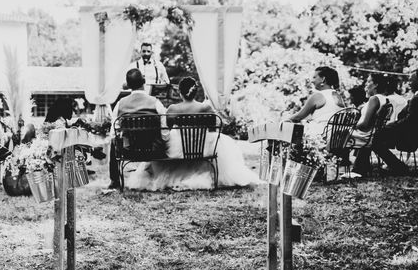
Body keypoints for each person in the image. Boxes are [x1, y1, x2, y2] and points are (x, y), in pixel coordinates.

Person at [127, 77, 259, 190]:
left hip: (180, 150)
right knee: (223, 142)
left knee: (167, 142)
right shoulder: (205, 108)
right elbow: (216, 126)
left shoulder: (173, 109)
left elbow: (165, 129)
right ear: (195, 92)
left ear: (180, 93)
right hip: (201, 148)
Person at [108, 68, 167, 189]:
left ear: (128, 85)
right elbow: (164, 131)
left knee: (113, 142)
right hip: (154, 150)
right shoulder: (155, 102)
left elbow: (113, 133)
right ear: (144, 82)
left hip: (130, 151)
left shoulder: (120, 104)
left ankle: (115, 181)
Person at [353, 70, 418, 176]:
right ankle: (361, 167)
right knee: (373, 138)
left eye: (412, 80)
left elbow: (410, 120)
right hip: (404, 130)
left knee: (372, 138)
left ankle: (360, 168)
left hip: (409, 134)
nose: (409, 83)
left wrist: (391, 127)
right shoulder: (410, 98)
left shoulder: (416, 98)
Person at [286, 66, 345, 137]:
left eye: (314, 77)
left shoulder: (318, 96)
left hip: (320, 137)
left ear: (323, 79)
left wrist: (285, 120)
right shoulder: (338, 96)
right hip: (337, 138)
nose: (312, 81)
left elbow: (298, 117)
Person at [349, 74, 389, 149]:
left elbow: (365, 124)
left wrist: (352, 126)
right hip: (371, 135)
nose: (366, 84)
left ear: (375, 85)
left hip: (364, 136)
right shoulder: (384, 99)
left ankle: (332, 159)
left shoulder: (374, 99)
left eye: (368, 81)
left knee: (335, 133)